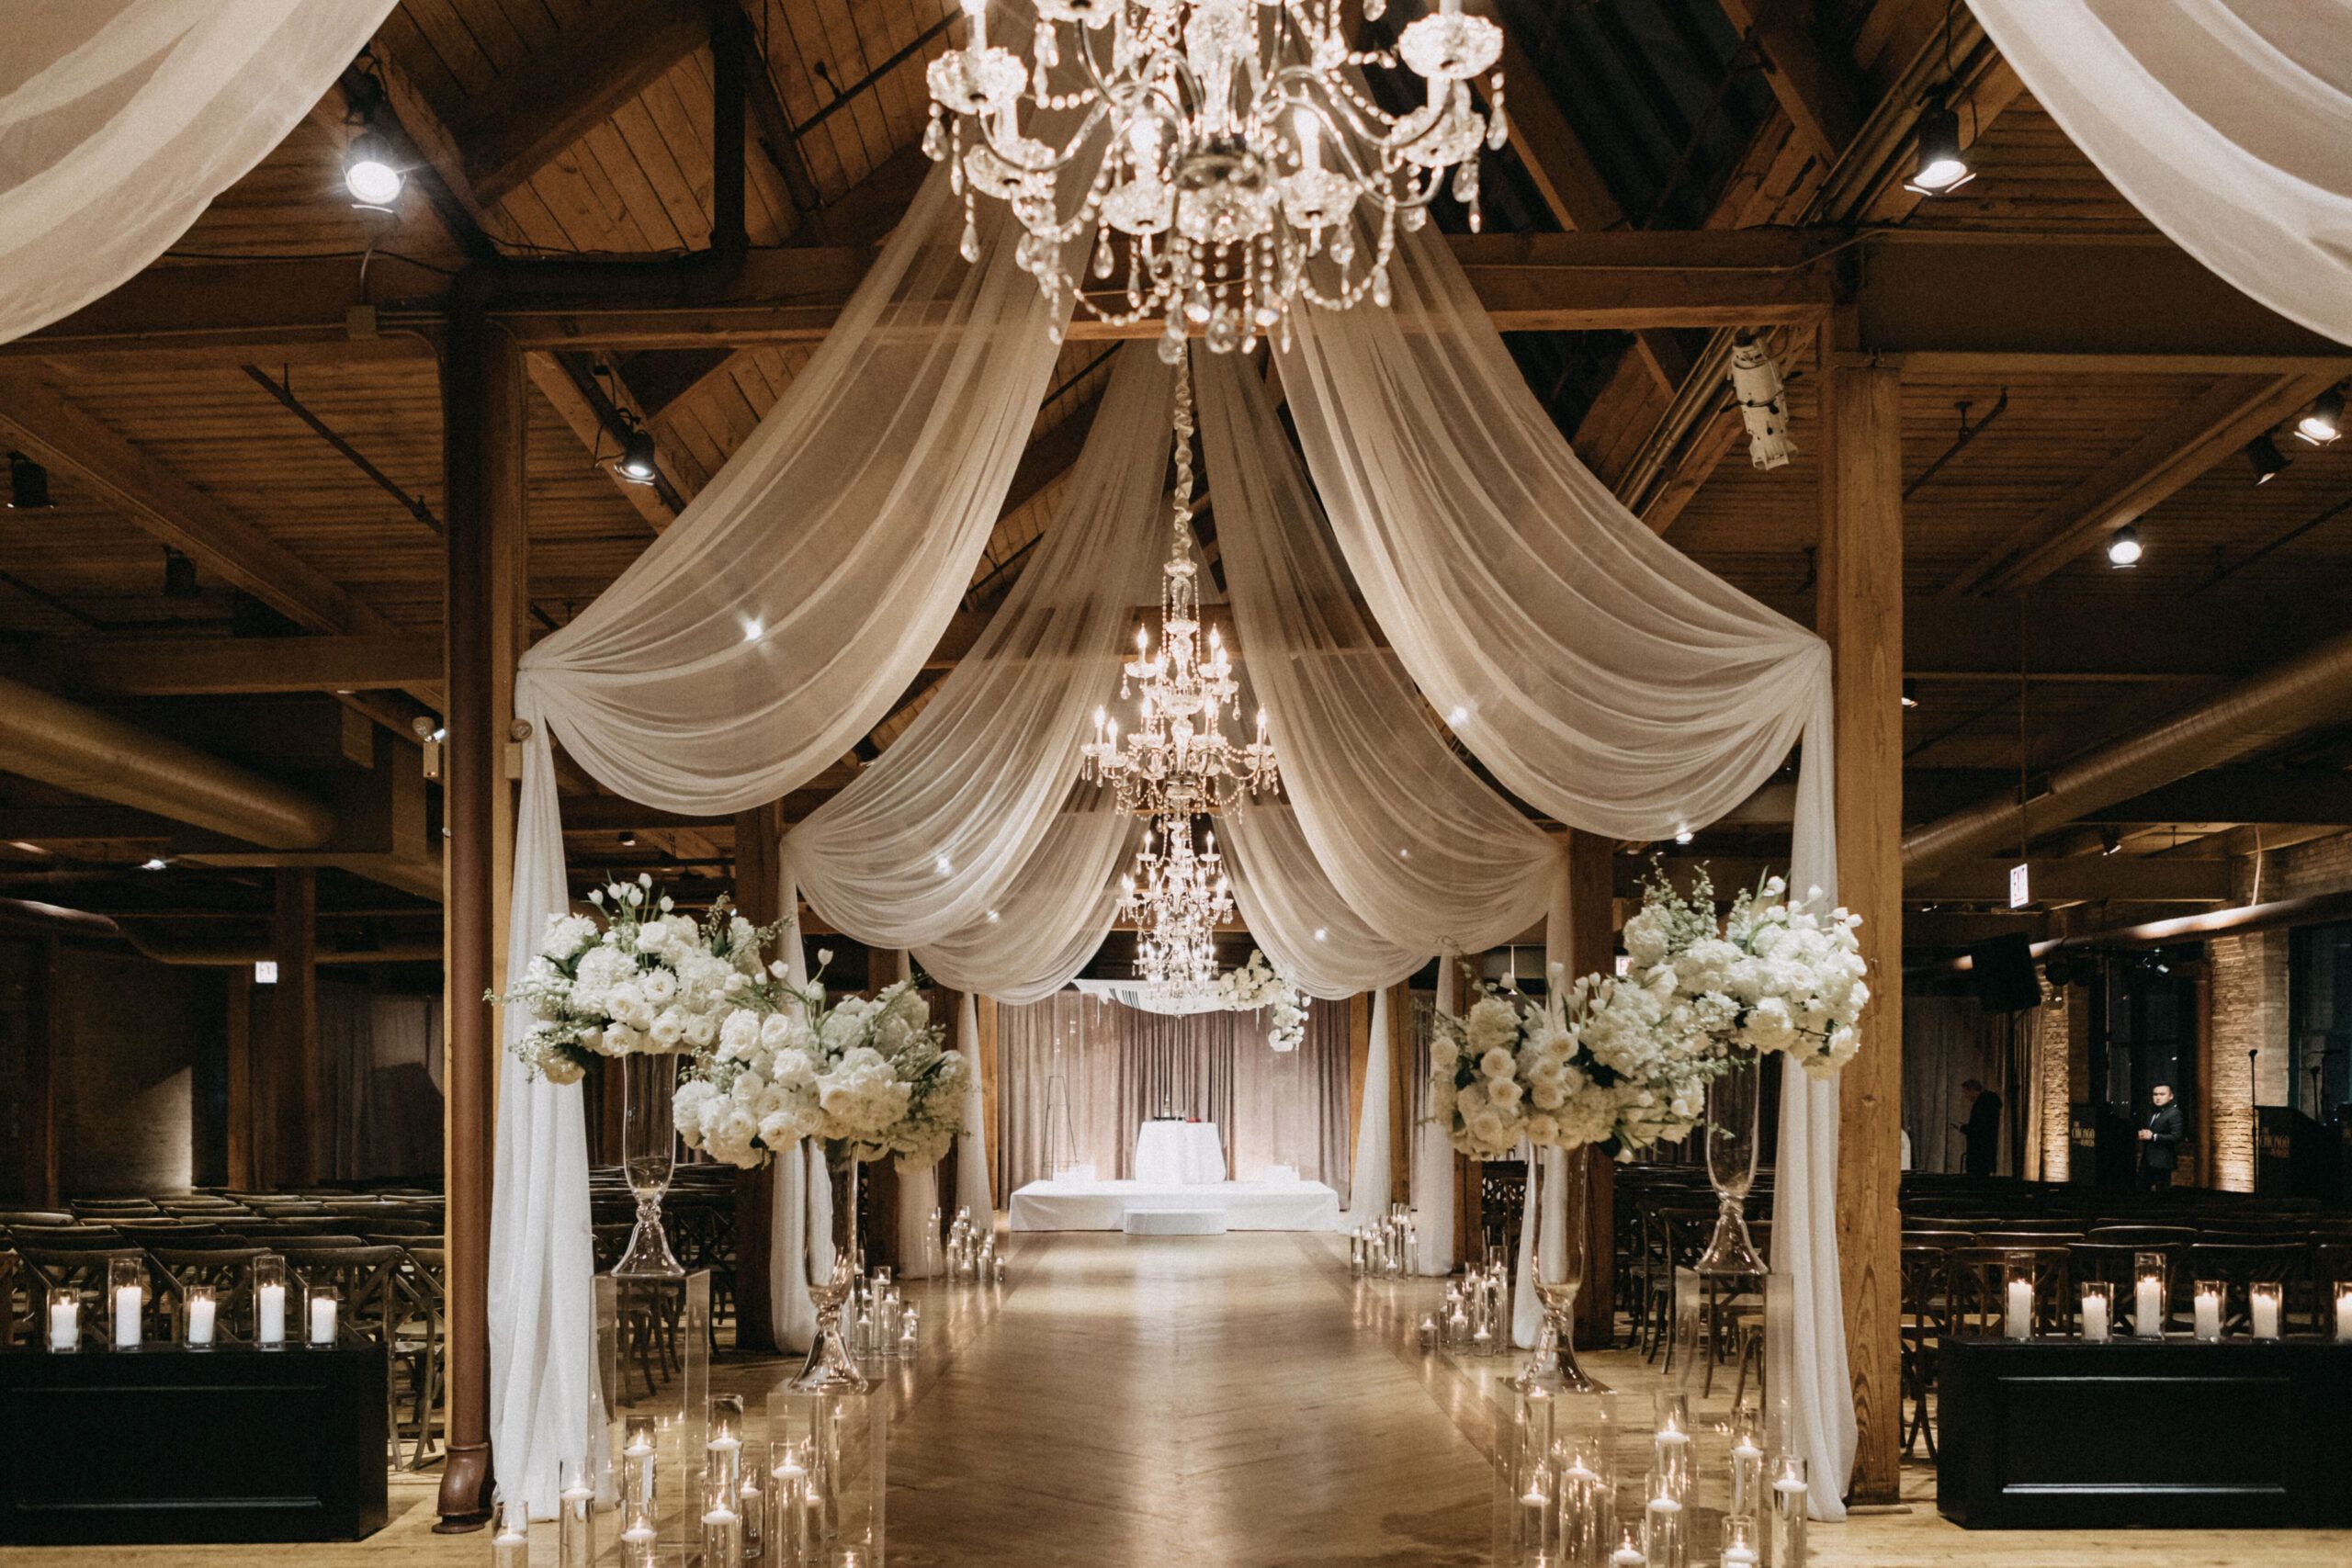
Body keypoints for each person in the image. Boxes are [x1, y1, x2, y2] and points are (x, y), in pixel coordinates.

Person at [2138, 1083, 2187, 1192]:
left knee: (2162, 1194)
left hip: (2163, 1161)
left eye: (2162, 1094)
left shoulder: (2174, 1113)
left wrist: (2154, 1137)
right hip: (2148, 1159)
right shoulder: (2153, 1112)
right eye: (2155, 1094)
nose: (2158, 1097)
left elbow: (2177, 1136)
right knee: (2141, 1191)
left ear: (2171, 1096)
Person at [1957, 1078, 2002, 1177]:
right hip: (1986, 1153)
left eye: (1966, 1092)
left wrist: (1962, 1128)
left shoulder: (1981, 1105)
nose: (1966, 1096)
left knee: (1977, 1181)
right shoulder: (1989, 1103)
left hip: (1978, 1154)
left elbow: (1978, 1130)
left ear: (1972, 1090)